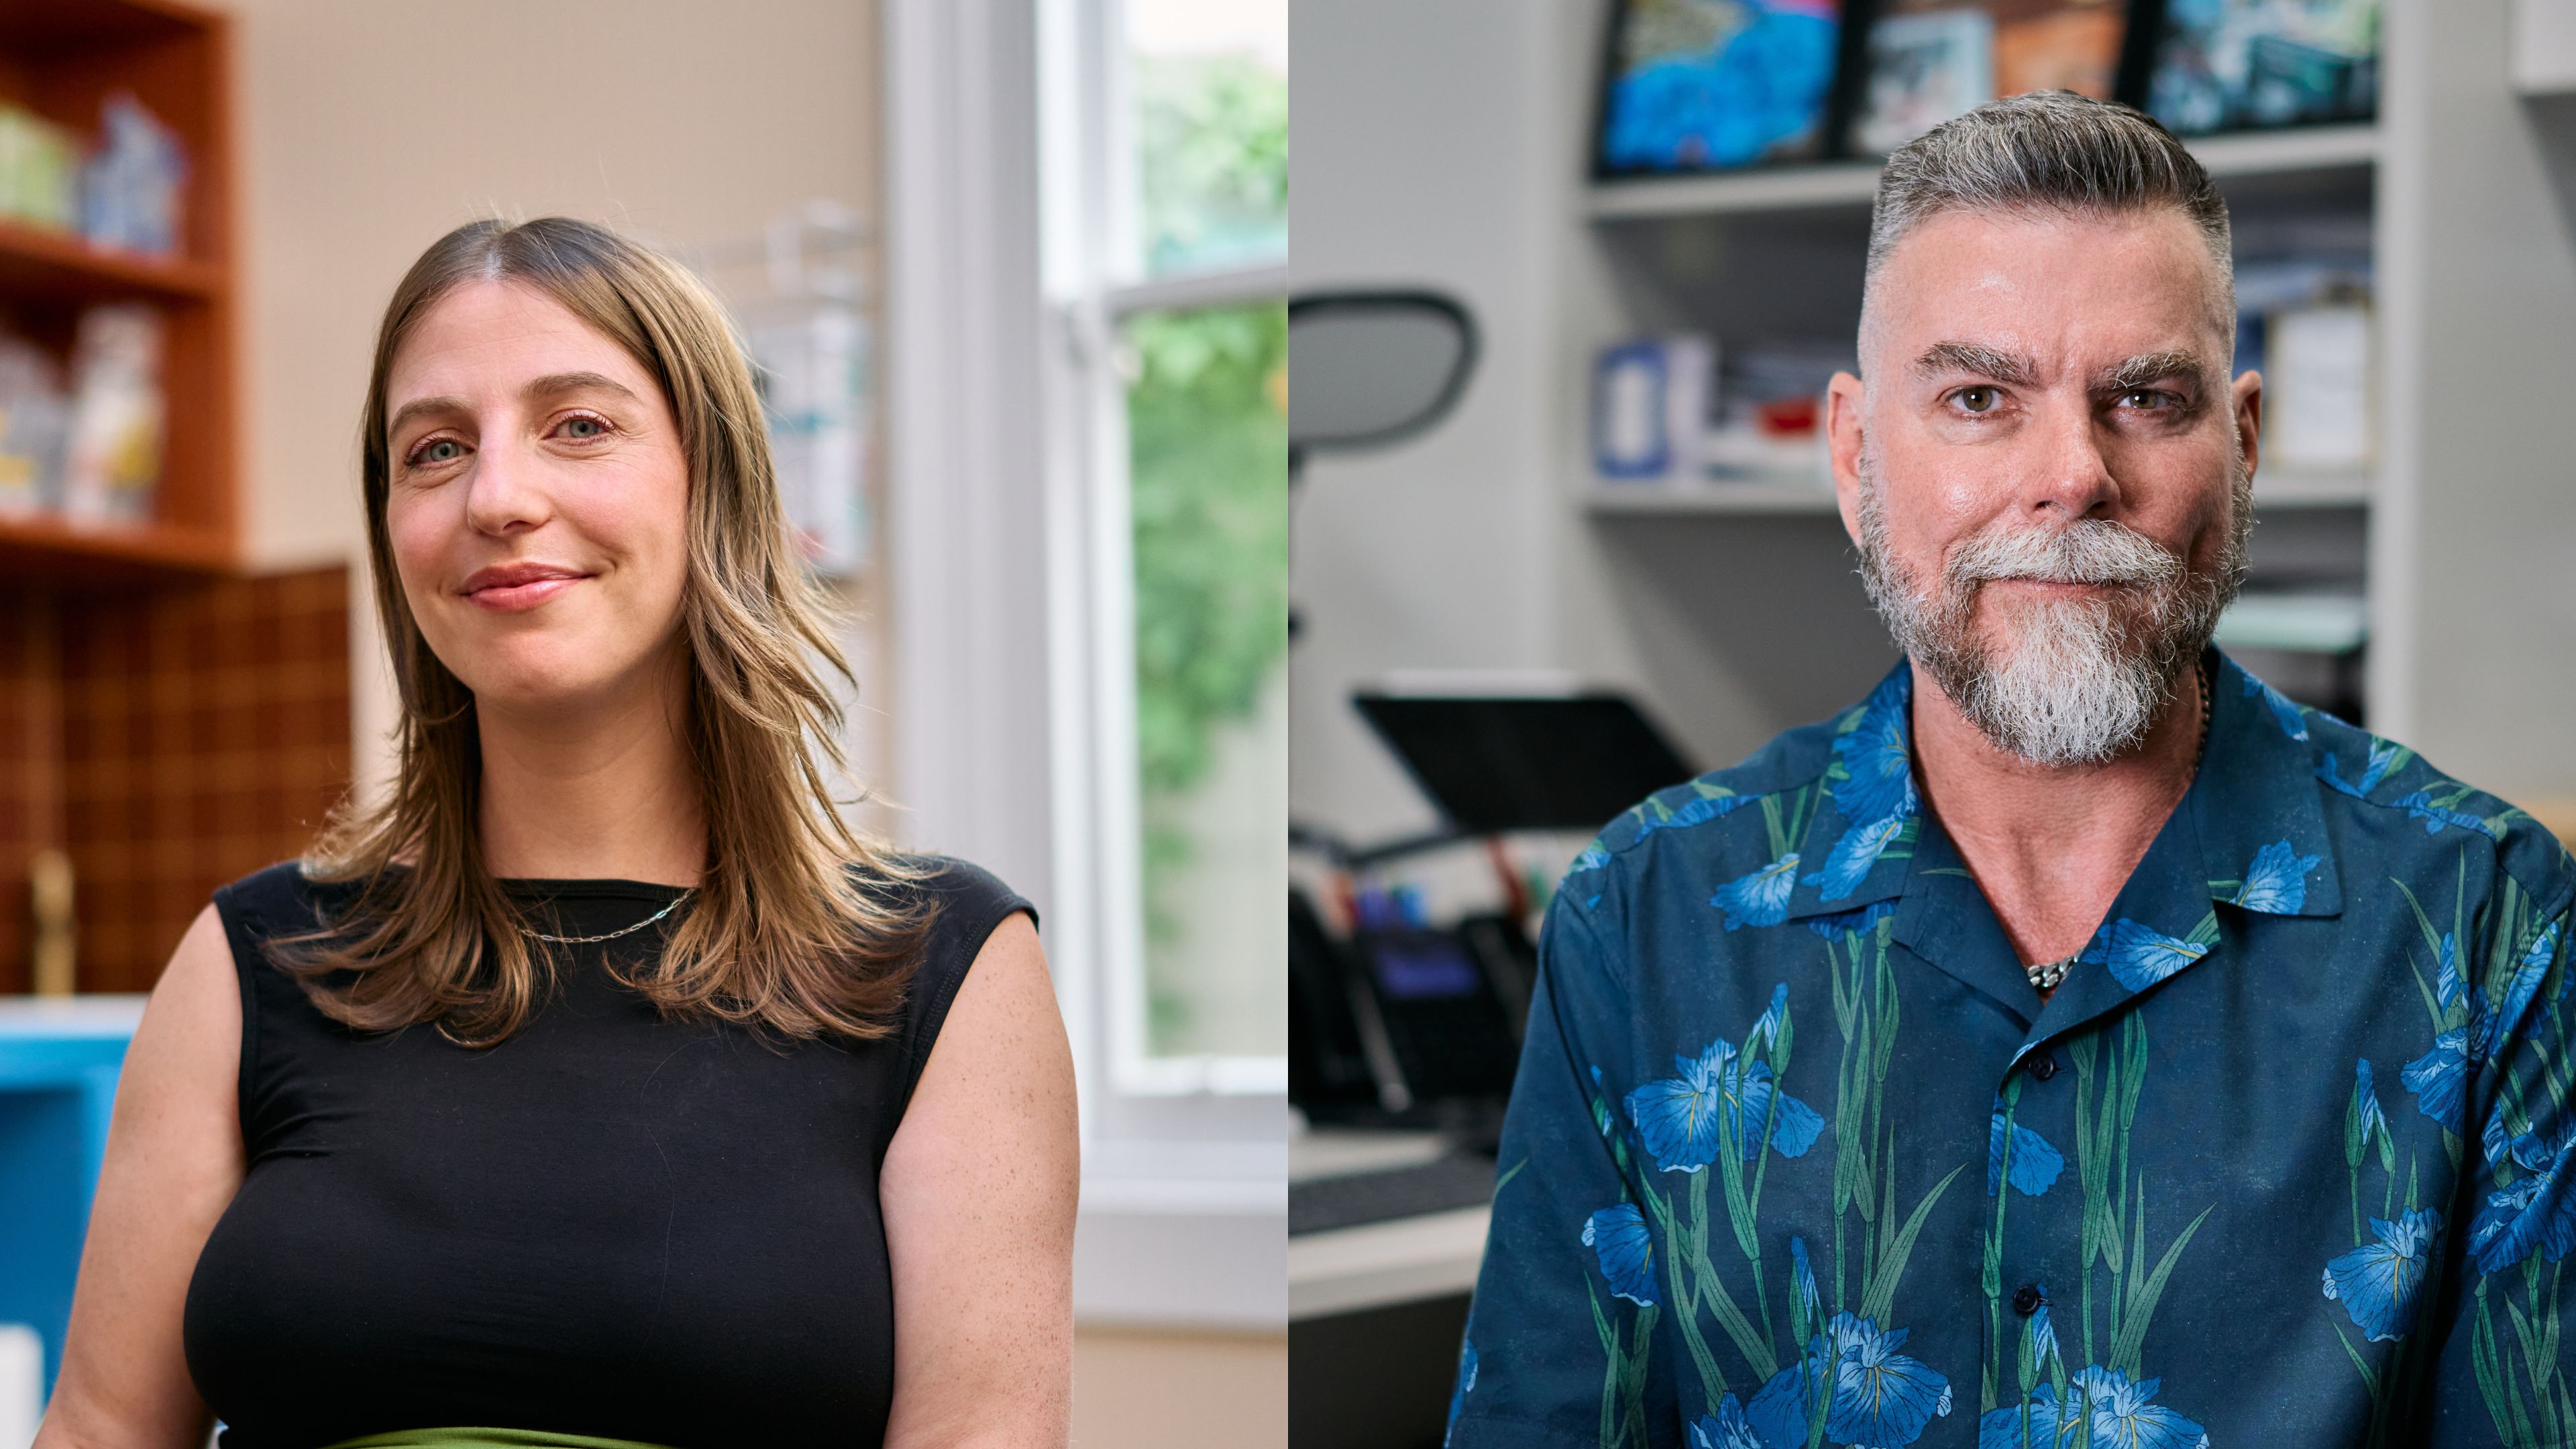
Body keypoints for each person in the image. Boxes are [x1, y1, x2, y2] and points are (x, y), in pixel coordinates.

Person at [1446, 94, 2576, 1448]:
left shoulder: (2485, 916)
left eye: (2146, 399)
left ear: (2243, 446)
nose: (2072, 476)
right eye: (1980, 399)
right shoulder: (1646, 916)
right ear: (1856, 454)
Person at [36, 217, 1077, 1449]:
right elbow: (97, 1430)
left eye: (578, 426)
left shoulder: (943, 970)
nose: (497, 498)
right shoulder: (250, 959)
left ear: (714, 484)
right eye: (434, 450)